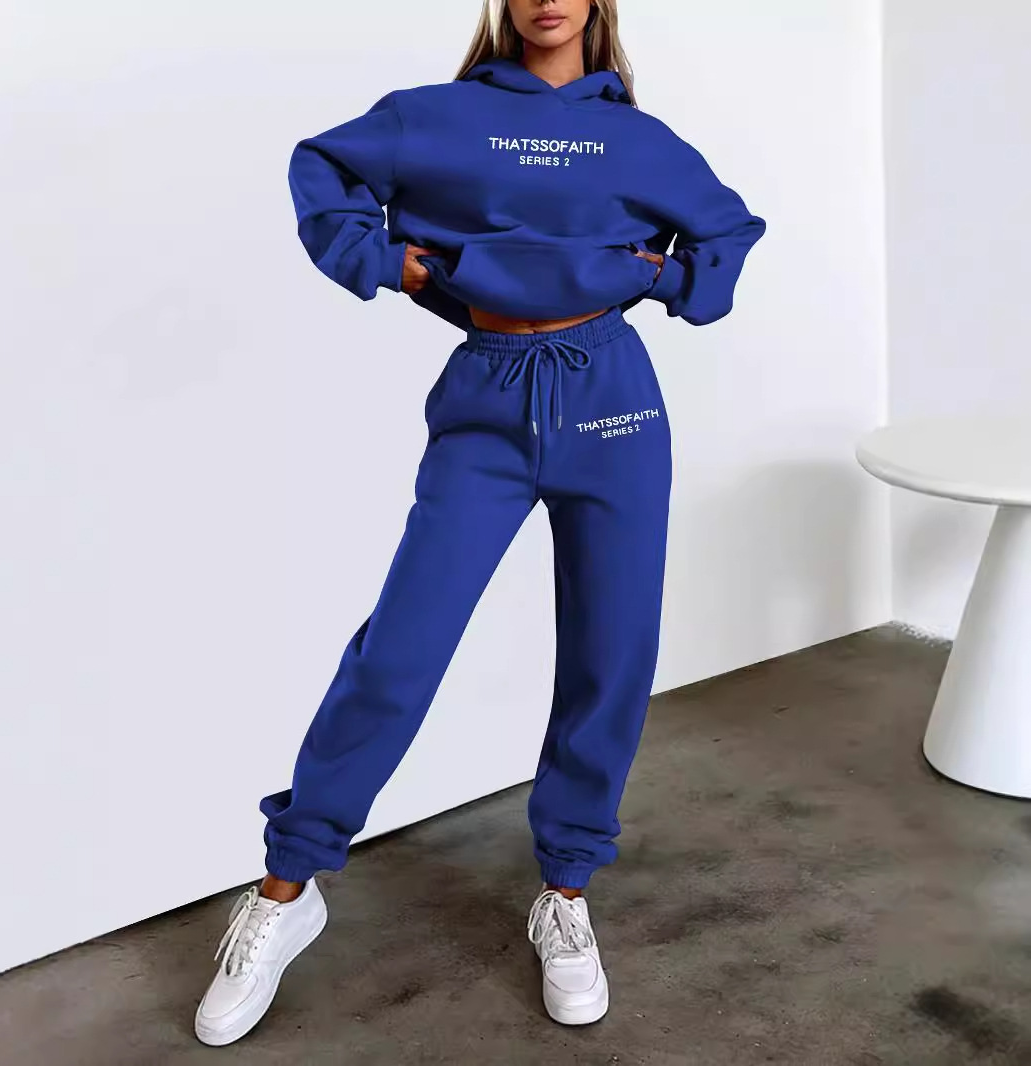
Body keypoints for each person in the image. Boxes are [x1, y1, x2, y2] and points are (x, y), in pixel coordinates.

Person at [194, 0, 764, 1046]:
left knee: (609, 654)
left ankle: (567, 890)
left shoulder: (636, 138)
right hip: (487, 401)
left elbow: (728, 229)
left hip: (613, 401)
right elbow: (323, 166)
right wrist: (386, 263)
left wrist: (669, 279)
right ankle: (287, 887)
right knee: (399, 652)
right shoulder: (436, 118)